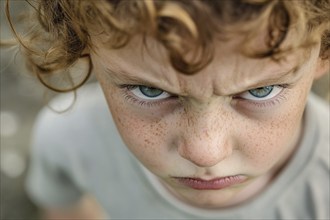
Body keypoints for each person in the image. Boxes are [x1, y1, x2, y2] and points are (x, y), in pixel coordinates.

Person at [4, 0, 329, 219]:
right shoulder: (69, 141)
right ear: (85, 49)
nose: (206, 153)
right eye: (152, 90)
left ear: (323, 54)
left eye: (260, 90)